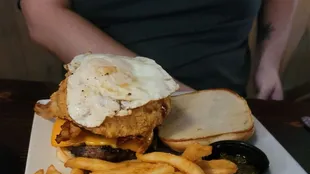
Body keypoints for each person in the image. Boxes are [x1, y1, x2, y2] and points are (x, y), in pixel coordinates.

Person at [20, 0, 297, 99]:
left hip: (223, 98)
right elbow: (44, 15)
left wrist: (269, 61)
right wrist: (173, 94)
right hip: (104, 103)